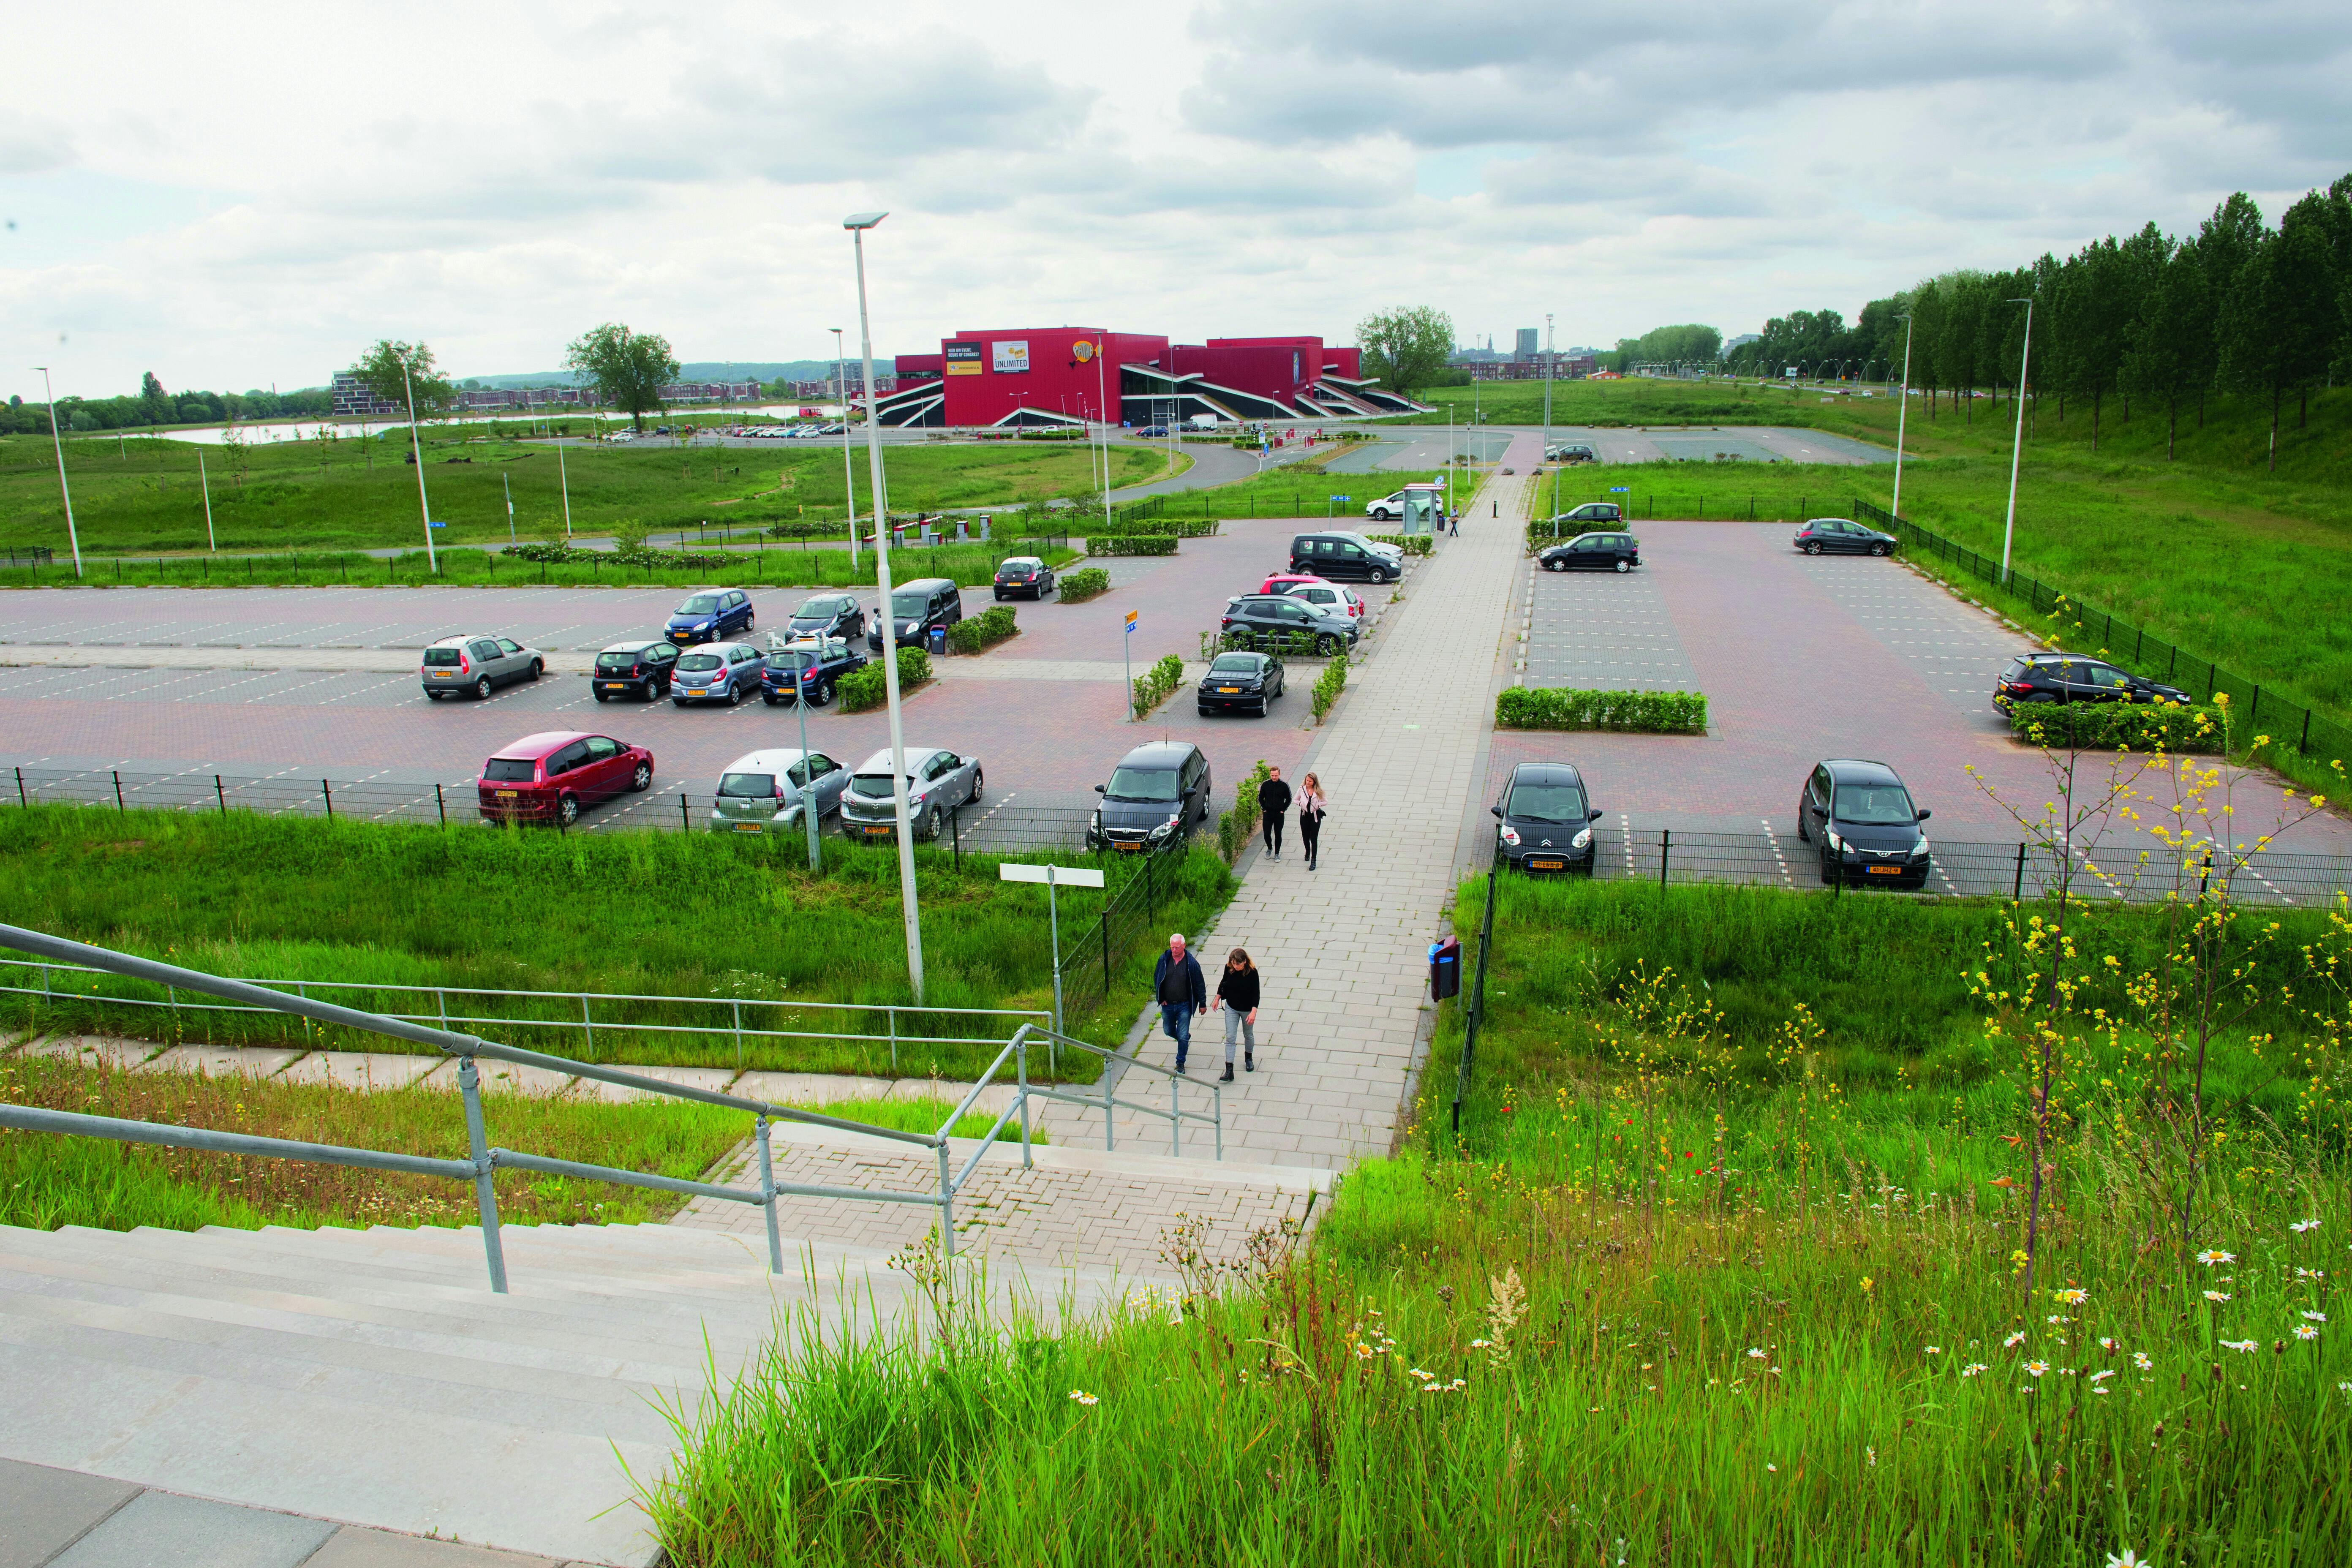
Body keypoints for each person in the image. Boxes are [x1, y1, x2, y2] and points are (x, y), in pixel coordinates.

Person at [1152, 932, 1208, 1073]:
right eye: (1172, 947)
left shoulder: (1192, 964)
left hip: (1184, 1006)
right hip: (1168, 1005)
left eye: (1177, 947)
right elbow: (1157, 978)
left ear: (1184, 946)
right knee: (1168, 1030)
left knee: (1182, 1036)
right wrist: (1161, 997)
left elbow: (1199, 984)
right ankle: (1184, 1039)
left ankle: (1180, 1062)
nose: (1175, 950)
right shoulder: (1164, 960)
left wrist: (1202, 1003)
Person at [1216, 947, 1260, 1081]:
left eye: (1238, 964)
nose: (1236, 966)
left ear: (1245, 962)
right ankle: (1229, 1070)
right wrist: (1217, 998)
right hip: (1232, 1007)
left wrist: (1253, 1012)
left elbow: (1256, 994)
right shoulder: (1229, 968)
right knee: (1230, 1037)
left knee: (1248, 1034)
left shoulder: (1252, 973)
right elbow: (1223, 982)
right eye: (1234, 964)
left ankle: (1249, 1057)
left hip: (1247, 1009)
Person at [1257, 767, 1293, 860]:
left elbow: (1289, 799)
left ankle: (1277, 853)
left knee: (1278, 834)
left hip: (1279, 814)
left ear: (1279, 775)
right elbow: (1260, 797)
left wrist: (1283, 810)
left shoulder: (1284, 785)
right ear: (1270, 775)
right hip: (1268, 813)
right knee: (1267, 833)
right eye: (1272, 775)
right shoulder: (1265, 784)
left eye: (1276, 776)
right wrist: (1264, 809)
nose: (1274, 777)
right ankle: (1270, 848)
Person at [1297, 773, 1327, 871]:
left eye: (1310, 781)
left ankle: (1314, 860)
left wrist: (1318, 805)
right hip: (1305, 816)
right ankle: (1307, 851)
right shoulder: (1302, 789)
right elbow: (1295, 800)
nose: (1308, 782)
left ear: (1314, 782)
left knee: (1314, 839)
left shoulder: (1318, 791)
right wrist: (1301, 804)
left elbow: (1325, 801)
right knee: (1306, 838)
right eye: (1307, 780)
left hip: (1315, 817)